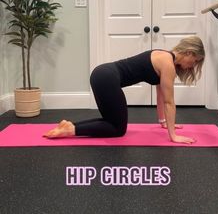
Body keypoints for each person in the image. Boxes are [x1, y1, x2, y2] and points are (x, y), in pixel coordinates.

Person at [44, 36, 205, 144]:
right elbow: (169, 102)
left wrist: (163, 123)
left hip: (102, 75)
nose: (193, 65)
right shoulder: (168, 64)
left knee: (112, 123)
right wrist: (174, 136)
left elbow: (161, 95)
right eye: (195, 61)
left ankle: (69, 126)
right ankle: (72, 130)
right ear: (189, 52)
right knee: (118, 129)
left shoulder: (164, 57)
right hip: (106, 78)